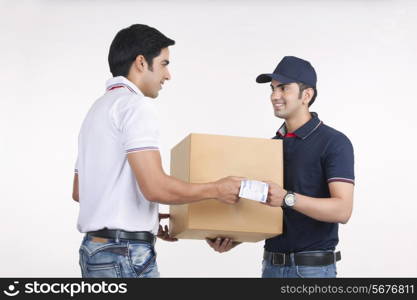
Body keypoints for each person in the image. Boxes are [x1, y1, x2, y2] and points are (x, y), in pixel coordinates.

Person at [73, 24, 242, 278]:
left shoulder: (97, 110)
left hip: (96, 251)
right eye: (164, 64)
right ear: (141, 62)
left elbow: (80, 192)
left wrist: (148, 219)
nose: (168, 75)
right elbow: (155, 188)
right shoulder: (135, 106)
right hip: (124, 254)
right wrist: (217, 189)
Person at [207, 56, 354, 278]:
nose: (274, 96)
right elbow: (265, 210)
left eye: (283, 88)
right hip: (271, 267)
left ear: (306, 95)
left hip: (312, 270)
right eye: (273, 89)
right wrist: (234, 238)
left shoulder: (334, 142)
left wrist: (287, 198)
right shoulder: (271, 146)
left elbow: (342, 210)